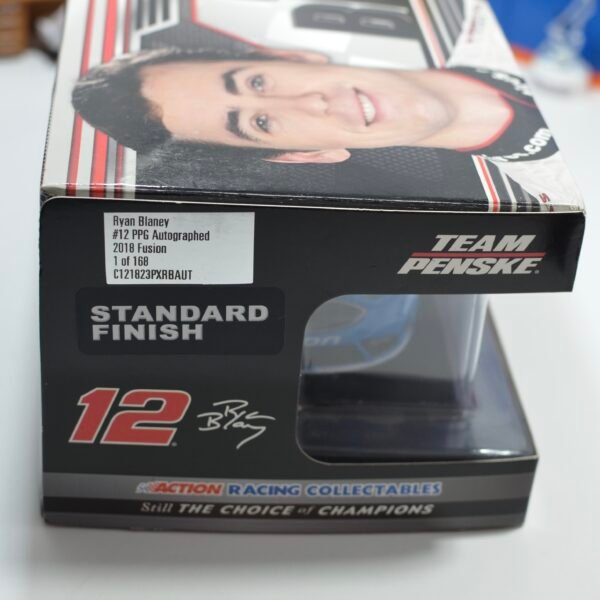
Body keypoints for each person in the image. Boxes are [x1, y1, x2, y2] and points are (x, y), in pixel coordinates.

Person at [72, 46, 563, 206]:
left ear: (293, 55)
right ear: (306, 155)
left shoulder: (471, 26)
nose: (309, 101)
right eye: (260, 121)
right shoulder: (541, 198)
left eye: (257, 81)